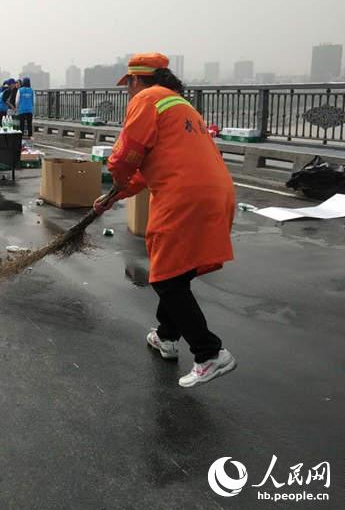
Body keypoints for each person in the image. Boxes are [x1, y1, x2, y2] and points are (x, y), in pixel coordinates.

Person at [93, 52, 237, 388]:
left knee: (166, 279)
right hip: (216, 193)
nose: (128, 91)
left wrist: (115, 176)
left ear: (137, 79)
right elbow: (149, 169)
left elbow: (128, 153)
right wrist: (113, 197)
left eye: (128, 83)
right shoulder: (181, 106)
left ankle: (209, 352)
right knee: (177, 271)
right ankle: (167, 336)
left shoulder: (147, 98)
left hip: (183, 197)